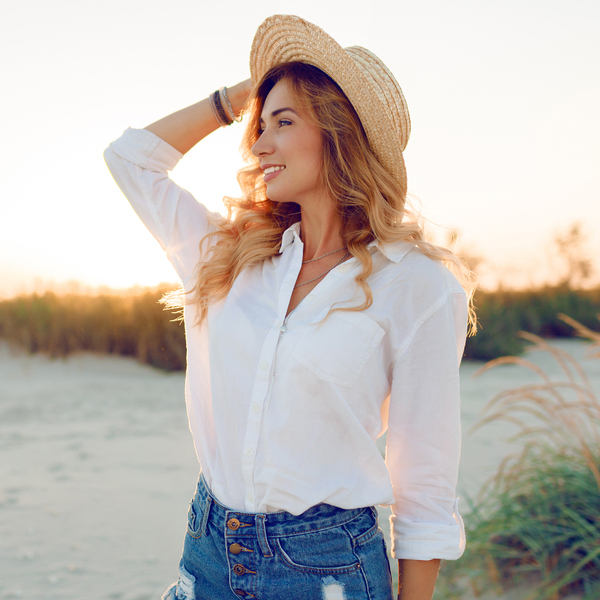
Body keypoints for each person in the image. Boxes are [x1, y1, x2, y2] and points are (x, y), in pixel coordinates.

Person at [104, 14, 476, 600]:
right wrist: (241, 95)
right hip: (209, 548)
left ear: (339, 134)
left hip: (326, 568)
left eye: (283, 122)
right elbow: (130, 160)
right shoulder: (230, 257)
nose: (259, 143)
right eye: (260, 123)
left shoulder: (420, 285)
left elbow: (424, 481)